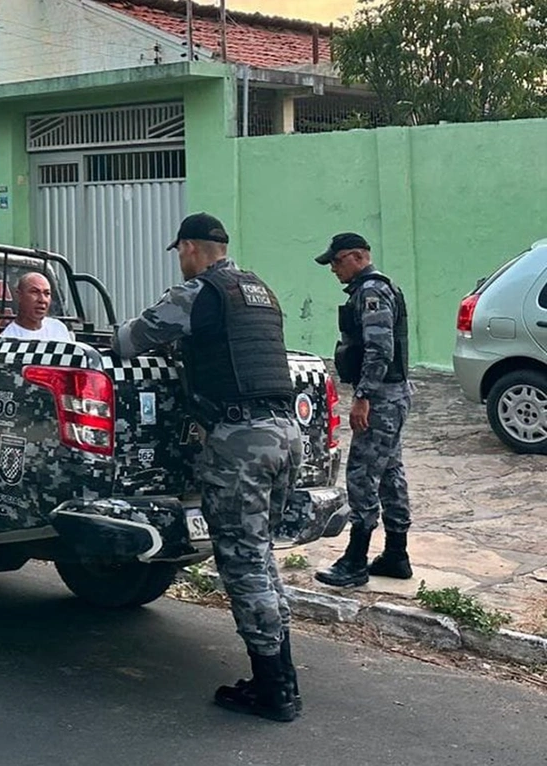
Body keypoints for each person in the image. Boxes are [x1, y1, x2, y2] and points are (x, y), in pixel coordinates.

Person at [111, 212, 301, 723]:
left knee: (242, 565)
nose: (181, 261)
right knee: (260, 557)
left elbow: (131, 340)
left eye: (180, 252)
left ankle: (273, 692)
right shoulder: (259, 289)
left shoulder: (199, 293)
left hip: (242, 441)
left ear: (192, 248)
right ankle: (282, 677)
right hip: (285, 435)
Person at [313, 233, 413, 588]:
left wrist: (363, 396)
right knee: (390, 474)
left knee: (362, 474)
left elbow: (379, 349)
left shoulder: (371, 292)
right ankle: (396, 555)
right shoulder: (375, 289)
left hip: (381, 397)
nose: (333, 269)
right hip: (392, 394)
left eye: (337, 262)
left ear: (357, 257)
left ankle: (355, 560)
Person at [1, 272, 73, 341]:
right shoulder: (8, 338)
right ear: (19, 295)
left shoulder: (58, 329)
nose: (42, 300)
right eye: (34, 292)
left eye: (47, 293)